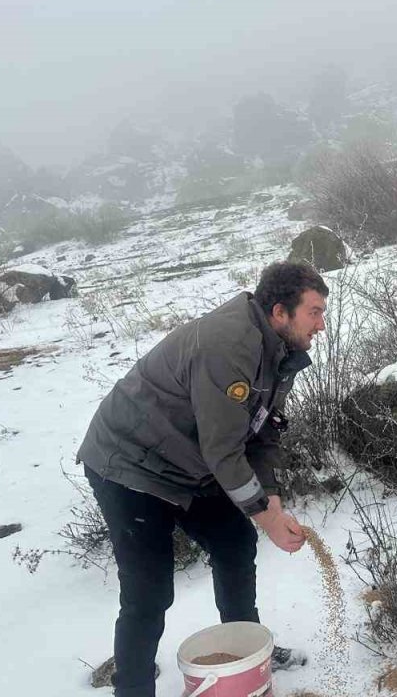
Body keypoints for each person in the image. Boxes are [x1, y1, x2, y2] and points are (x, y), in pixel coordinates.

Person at [77, 261, 328, 697]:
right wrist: (267, 519)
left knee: (234, 544)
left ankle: (246, 649)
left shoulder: (276, 351)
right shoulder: (229, 345)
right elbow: (224, 449)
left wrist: (269, 500)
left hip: (188, 461)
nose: (322, 325)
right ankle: (132, 689)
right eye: (315, 312)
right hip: (130, 466)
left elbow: (263, 429)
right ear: (279, 312)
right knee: (149, 590)